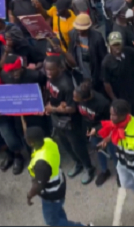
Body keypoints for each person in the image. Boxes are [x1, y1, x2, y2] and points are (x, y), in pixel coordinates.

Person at [44, 55, 95, 185]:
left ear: (60, 68)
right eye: (46, 69)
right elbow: (51, 96)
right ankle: (78, 164)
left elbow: (72, 108)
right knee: (65, 145)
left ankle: (88, 168)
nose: (48, 72)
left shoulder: (66, 84)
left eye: (51, 70)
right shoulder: (50, 80)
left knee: (77, 146)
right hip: (57, 120)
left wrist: (53, 108)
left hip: (71, 122)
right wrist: (48, 106)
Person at [25, 126, 90, 227]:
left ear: (30, 142)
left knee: (53, 222)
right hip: (59, 184)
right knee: (58, 212)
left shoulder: (41, 164)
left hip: (52, 195)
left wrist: (29, 195)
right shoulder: (48, 141)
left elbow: (38, 186)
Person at [73, 79, 117, 186]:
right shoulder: (80, 98)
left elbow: (110, 122)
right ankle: (104, 171)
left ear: (85, 98)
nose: (74, 99)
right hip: (91, 128)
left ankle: (120, 172)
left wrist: (97, 129)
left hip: (105, 130)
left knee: (113, 151)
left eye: (76, 97)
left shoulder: (102, 103)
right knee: (98, 149)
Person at [102, 32, 134, 121]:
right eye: (114, 45)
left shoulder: (129, 52)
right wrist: (114, 99)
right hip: (121, 95)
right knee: (126, 118)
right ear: (109, 46)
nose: (117, 47)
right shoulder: (106, 63)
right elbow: (106, 83)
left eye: (118, 44)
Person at [67, 13, 108, 92]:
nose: (78, 30)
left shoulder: (97, 39)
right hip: (80, 73)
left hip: (93, 75)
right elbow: (71, 51)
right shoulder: (74, 34)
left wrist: (101, 77)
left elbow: (103, 59)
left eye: (81, 28)